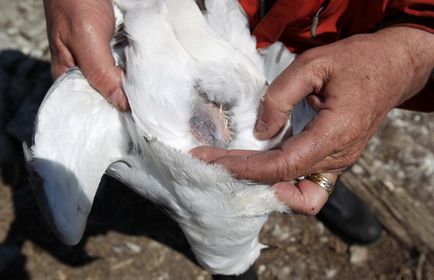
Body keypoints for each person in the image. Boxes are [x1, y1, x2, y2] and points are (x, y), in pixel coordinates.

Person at [43, 0, 433, 243]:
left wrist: (409, 52)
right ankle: (231, 254)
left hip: (331, 28)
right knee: (212, 197)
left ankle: (318, 175)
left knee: (325, 120)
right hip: (213, 20)